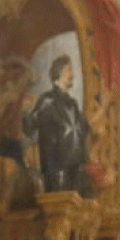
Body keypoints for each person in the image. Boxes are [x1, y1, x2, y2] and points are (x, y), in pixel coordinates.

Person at [23, 55, 90, 193]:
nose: (72, 74)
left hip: (76, 166)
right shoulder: (46, 100)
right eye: (69, 70)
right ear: (59, 73)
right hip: (57, 167)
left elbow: (83, 130)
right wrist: (24, 113)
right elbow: (29, 129)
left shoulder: (73, 104)